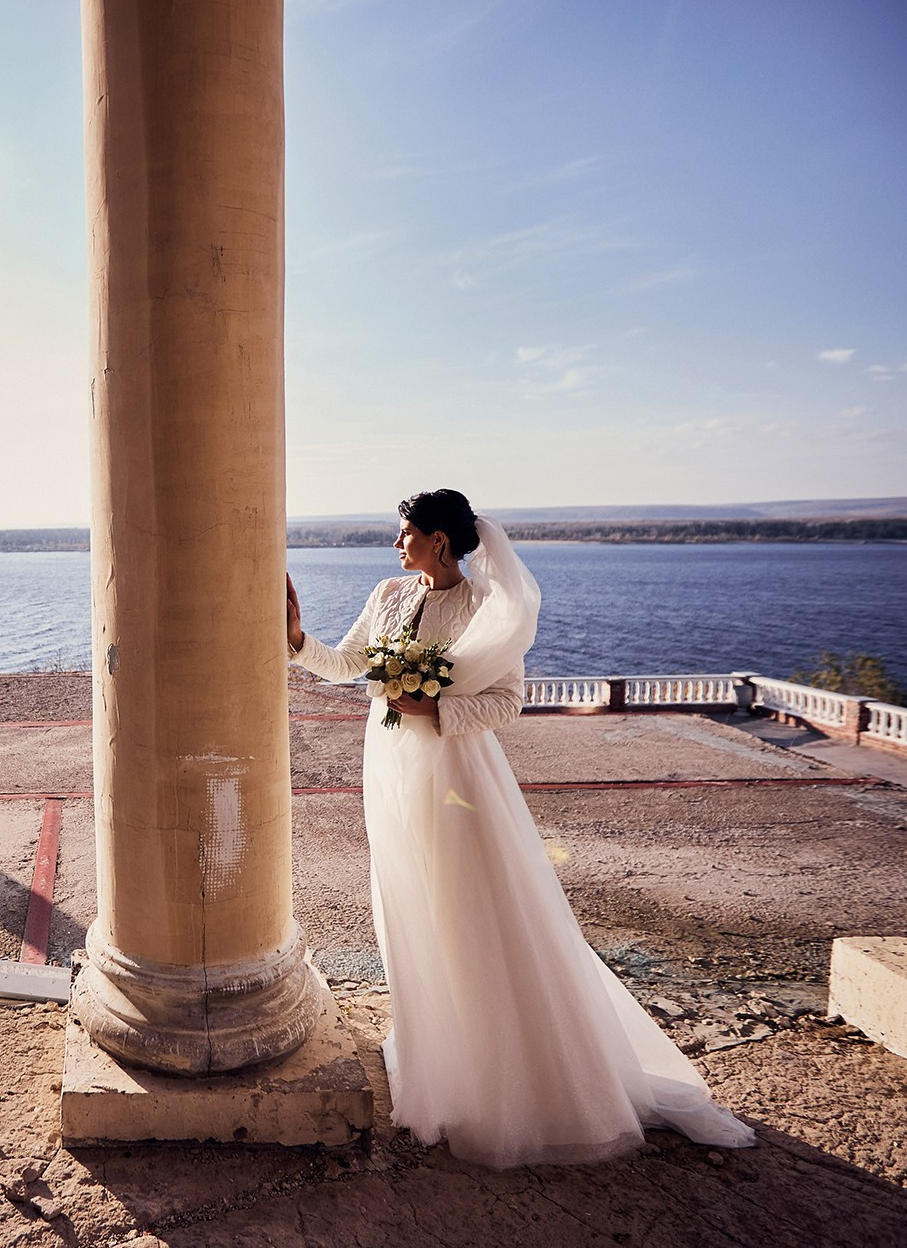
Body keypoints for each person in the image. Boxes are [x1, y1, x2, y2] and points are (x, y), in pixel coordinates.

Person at [286, 489, 756, 1168]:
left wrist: (432, 713)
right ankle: (439, 1052)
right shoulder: (388, 592)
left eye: (406, 533)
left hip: (454, 773)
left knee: (472, 903)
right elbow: (346, 665)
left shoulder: (489, 606)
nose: (396, 545)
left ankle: (509, 1074)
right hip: (387, 766)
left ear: (441, 540)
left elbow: (506, 702)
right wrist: (297, 640)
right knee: (411, 901)